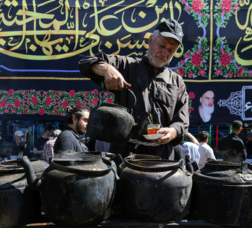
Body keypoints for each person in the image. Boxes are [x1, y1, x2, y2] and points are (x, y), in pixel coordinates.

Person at [78, 18, 188, 161]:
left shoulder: (177, 82)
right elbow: (85, 63)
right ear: (150, 41)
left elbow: (182, 121)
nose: (165, 52)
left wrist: (172, 132)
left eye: (171, 50)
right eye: (162, 45)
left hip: (162, 159)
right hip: (125, 155)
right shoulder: (127, 66)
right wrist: (106, 69)